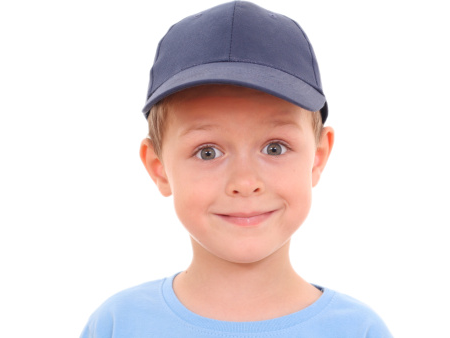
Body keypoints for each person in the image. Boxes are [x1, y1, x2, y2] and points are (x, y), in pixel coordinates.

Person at [80, 1, 392, 337]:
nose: (245, 182)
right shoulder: (119, 324)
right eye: (208, 152)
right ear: (159, 168)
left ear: (317, 156)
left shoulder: (357, 330)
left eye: (275, 148)